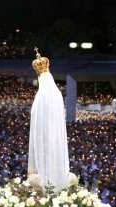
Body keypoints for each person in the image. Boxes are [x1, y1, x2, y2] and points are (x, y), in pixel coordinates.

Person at [28, 48, 75, 192]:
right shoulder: (57, 94)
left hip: (44, 136)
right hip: (56, 137)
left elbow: (36, 119)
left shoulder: (40, 96)